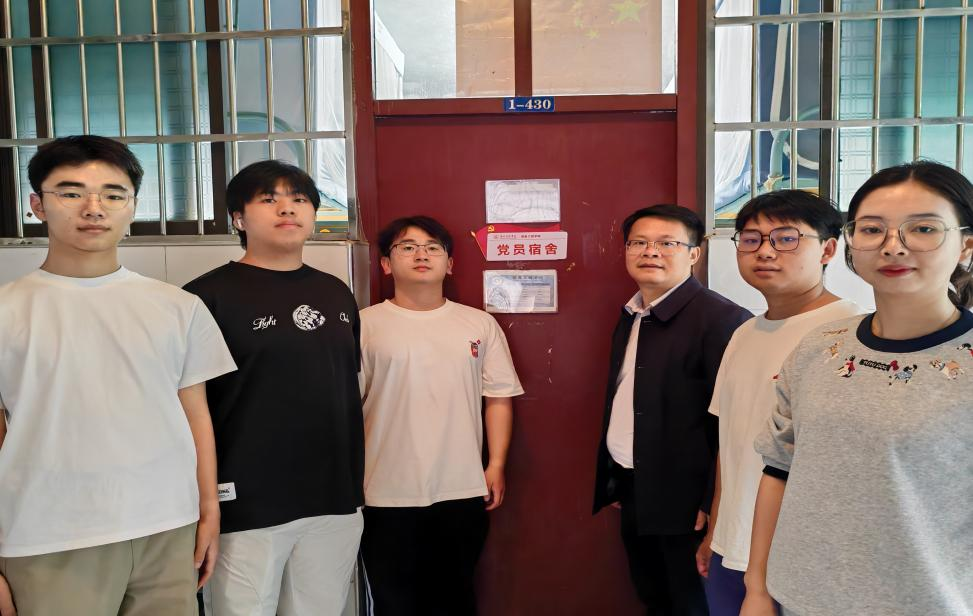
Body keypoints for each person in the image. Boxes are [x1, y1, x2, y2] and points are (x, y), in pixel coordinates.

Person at [0, 135, 236, 615]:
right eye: (71, 193)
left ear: (132, 207)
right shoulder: (8, 309)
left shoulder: (179, 307)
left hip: (168, 528)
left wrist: (208, 509)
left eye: (113, 194)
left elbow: (196, 417)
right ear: (37, 206)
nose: (94, 208)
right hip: (48, 537)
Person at [741, 161, 973, 616]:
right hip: (800, 600)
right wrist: (758, 588)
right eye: (871, 229)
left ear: (966, 244)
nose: (893, 246)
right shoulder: (819, 348)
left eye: (923, 228)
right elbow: (779, 468)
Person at [184, 160, 364, 616]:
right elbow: (186, 410)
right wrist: (206, 504)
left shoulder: (336, 292)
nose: (287, 208)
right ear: (238, 218)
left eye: (299, 199)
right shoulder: (203, 298)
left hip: (334, 498)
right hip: (244, 505)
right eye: (269, 199)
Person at [694, 191, 863, 616]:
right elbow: (731, 444)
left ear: (828, 249)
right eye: (751, 239)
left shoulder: (849, 335)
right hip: (732, 547)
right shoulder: (744, 333)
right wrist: (717, 531)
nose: (765, 251)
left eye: (786, 238)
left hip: (803, 560)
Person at [359, 216, 523, 616]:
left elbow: (498, 398)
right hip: (383, 490)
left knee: (455, 597)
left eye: (433, 247)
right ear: (386, 264)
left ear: (449, 264)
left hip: (461, 487)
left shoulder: (479, 324)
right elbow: (345, 405)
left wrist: (496, 464)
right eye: (407, 247)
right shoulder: (364, 325)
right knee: (394, 601)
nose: (421, 255)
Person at [592, 204, 752, 616]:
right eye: (639, 243)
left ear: (694, 253)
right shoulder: (633, 313)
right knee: (653, 595)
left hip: (688, 502)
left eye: (667, 243)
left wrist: (711, 503)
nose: (650, 252)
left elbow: (735, 425)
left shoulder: (723, 320)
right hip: (635, 486)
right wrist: (617, 478)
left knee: (690, 603)